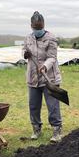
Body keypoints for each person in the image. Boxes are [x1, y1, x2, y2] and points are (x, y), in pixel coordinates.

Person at [22, 11, 63, 142]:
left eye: (40, 27)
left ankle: (56, 131)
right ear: (31, 26)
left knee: (53, 105)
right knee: (33, 105)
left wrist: (45, 66)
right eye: (35, 27)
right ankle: (36, 129)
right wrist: (25, 54)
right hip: (33, 78)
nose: (38, 30)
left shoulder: (51, 38)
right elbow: (23, 49)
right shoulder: (28, 38)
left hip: (49, 78)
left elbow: (52, 57)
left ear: (44, 25)